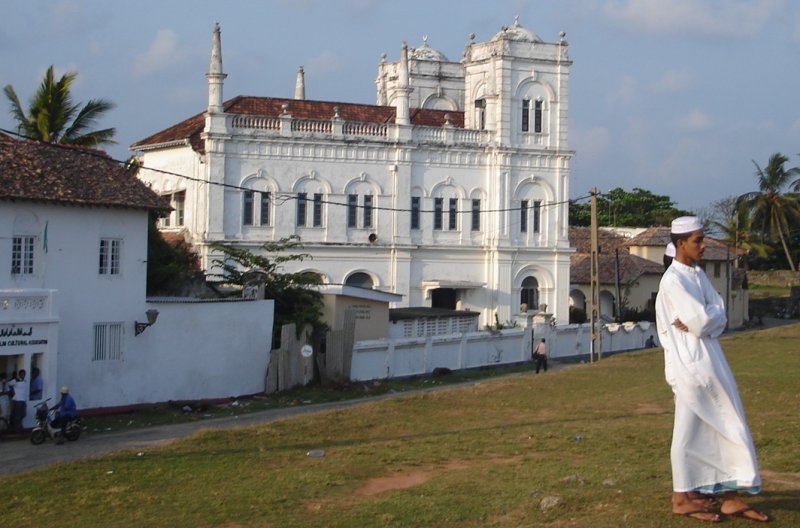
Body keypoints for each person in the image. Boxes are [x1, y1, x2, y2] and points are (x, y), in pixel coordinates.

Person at [655, 216, 768, 523]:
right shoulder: (674, 281)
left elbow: (718, 314)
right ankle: (694, 497)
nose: (703, 246)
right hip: (692, 366)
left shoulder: (696, 275)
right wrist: (705, 319)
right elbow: (705, 319)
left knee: (699, 430)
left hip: (709, 358)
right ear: (680, 244)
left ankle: (709, 495)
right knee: (722, 426)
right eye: (698, 240)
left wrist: (705, 319)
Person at [9, 369, 28, 433]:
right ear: (19, 374)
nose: (23, 375)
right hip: (17, 400)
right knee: (17, 415)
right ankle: (17, 429)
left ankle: (18, 426)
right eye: (22, 374)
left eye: (24, 374)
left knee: (23, 414)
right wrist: (12, 391)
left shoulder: (25, 381)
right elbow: (9, 384)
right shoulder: (15, 381)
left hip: (23, 400)